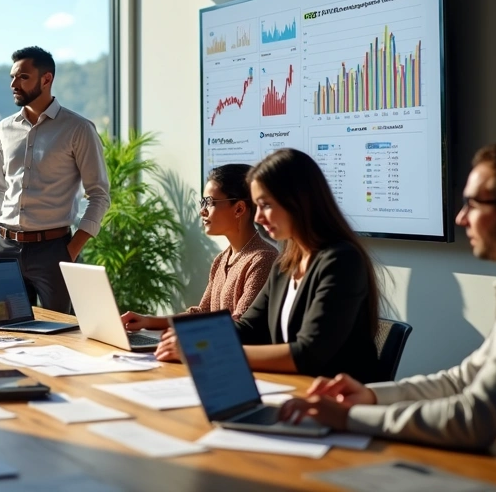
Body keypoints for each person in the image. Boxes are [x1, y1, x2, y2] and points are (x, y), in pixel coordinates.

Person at [281, 140, 496, 457]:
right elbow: (461, 381)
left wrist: (348, 417)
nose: (461, 218)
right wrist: (370, 396)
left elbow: (474, 419)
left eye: (473, 204)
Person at [155, 148, 385, 383]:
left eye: (265, 205)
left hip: (338, 398)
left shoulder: (342, 260)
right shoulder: (284, 266)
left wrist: (208, 350)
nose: (257, 218)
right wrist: (193, 340)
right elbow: (247, 329)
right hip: (292, 388)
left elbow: (308, 353)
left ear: (297, 202)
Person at [0, 46, 110, 313]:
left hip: (53, 251)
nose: (14, 84)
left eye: (23, 77)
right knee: (4, 328)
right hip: (2, 247)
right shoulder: (3, 129)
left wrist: (71, 250)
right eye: (12, 77)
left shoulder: (78, 129)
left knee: (61, 330)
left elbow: (99, 195)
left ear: (46, 79)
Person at [120, 164, 278, 332]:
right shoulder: (221, 259)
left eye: (209, 203)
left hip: (236, 349)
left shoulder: (263, 259)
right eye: (202, 203)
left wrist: (186, 340)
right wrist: (147, 321)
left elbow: (240, 325)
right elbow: (204, 313)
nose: (202, 211)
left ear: (239, 209)